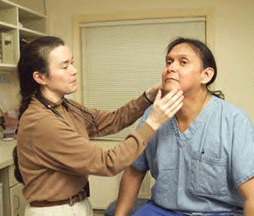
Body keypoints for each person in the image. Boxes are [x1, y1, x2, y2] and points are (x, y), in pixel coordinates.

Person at [14, 36, 184, 216]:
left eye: (72, 63)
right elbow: (108, 163)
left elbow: (112, 120)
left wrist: (147, 97)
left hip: (77, 204)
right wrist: (154, 122)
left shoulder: (66, 106)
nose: (74, 71)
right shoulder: (41, 122)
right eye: (64, 66)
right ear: (40, 77)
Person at [114, 37, 254, 216]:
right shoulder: (152, 115)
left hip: (220, 212)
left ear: (206, 75)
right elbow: (133, 171)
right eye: (169, 62)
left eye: (183, 62)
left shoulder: (234, 121)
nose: (171, 68)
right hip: (162, 210)